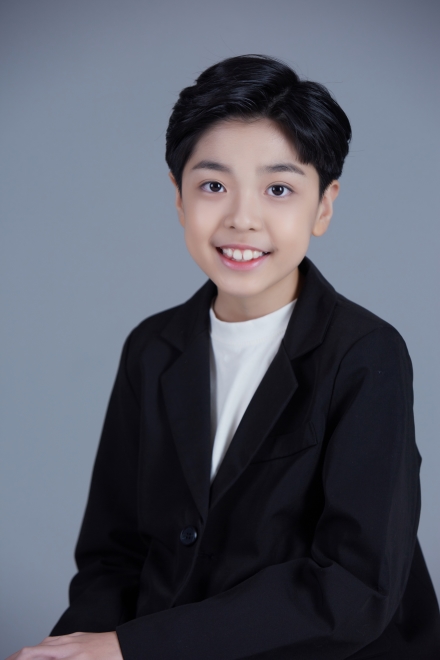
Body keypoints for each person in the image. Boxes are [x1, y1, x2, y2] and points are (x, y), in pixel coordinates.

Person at [8, 54, 440, 660]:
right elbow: (114, 555)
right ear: (179, 198)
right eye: (213, 185)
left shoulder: (365, 355)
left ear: (323, 206)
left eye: (279, 189)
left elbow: (353, 587)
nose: (242, 218)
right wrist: (71, 649)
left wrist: (134, 648)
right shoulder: (152, 348)